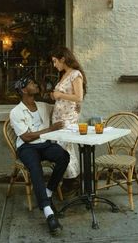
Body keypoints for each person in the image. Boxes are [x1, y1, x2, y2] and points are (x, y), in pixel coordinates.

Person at [10, 76, 70, 235]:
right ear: (23, 90)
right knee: (35, 169)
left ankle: (48, 192)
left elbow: (60, 106)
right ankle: (48, 213)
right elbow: (26, 137)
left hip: (44, 144)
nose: (35, 84)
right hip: (27, 147)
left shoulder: (42, 106)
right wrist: (50, 129)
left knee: (64, 156)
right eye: (30, 83)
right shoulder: (15, 112)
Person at [50, 47, 87, 195]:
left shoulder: (75, 74)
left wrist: (59, 95)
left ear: (63, 59)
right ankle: (69, 181)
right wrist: (55, 96)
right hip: (58, 118)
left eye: (55, 61)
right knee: (62, 150)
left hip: (68, 119)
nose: (54, 65)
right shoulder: (64, 74)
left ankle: (72, 181)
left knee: (65, 150)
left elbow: (79, 97)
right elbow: (63, 95)